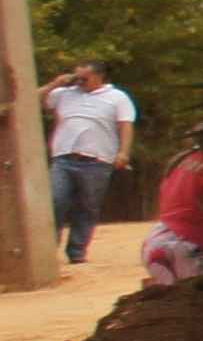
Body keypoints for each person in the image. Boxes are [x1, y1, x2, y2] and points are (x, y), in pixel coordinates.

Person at [42, 58, 136, 267]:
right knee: (55, 202)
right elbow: (29, 101)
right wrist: (54, 84)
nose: (79, 81)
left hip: (97, 160)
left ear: (98, 76)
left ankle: (77, 251)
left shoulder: (117, 97)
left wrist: (123, 152)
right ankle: (47, 252)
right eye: (77, 77)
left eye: (84, 78)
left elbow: (125, 125)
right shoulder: (63, 94)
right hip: (64, 158)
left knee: (87, 206)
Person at [142, 140, 203, 286]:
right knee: (197, 295)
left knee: (172, 292)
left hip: (158, 238)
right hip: (192, 249)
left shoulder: (180, 160)